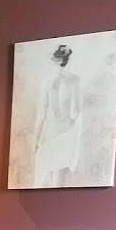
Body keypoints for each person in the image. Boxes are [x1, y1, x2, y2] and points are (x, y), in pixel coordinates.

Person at [32, 44, 82, 188]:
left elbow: (41, 115)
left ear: (55, 61)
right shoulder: (74, 80)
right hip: (66, 131)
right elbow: (77, 110)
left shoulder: (46, 83)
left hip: (51, 134)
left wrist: (35, 140)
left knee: (47, 175)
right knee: (58, 178)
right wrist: (75, 128)